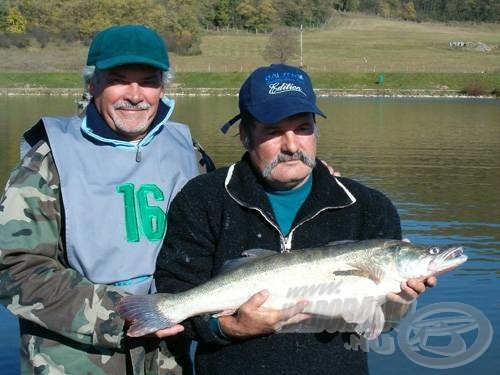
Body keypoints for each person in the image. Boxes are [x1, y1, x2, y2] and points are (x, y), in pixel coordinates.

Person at [154, 64, 436, 375]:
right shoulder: (202, 198)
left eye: (303, 129)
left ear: (316, 131)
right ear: (245, 136)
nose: (291, 146)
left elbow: (383, 323)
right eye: (274, 131)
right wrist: (228, 327)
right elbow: (176, 294)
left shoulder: (370, 207)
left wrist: (400, 302)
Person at [0, 24, 212, 374]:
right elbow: (16, 269)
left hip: (168, 359)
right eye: (118, 79)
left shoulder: (189, 152)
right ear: (92, 84)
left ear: (162, 87)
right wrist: (123, 314)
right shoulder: (47, 161)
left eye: (148, 81)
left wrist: (307, 180)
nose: (135, 94)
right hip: (75, 362)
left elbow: (226, 221)